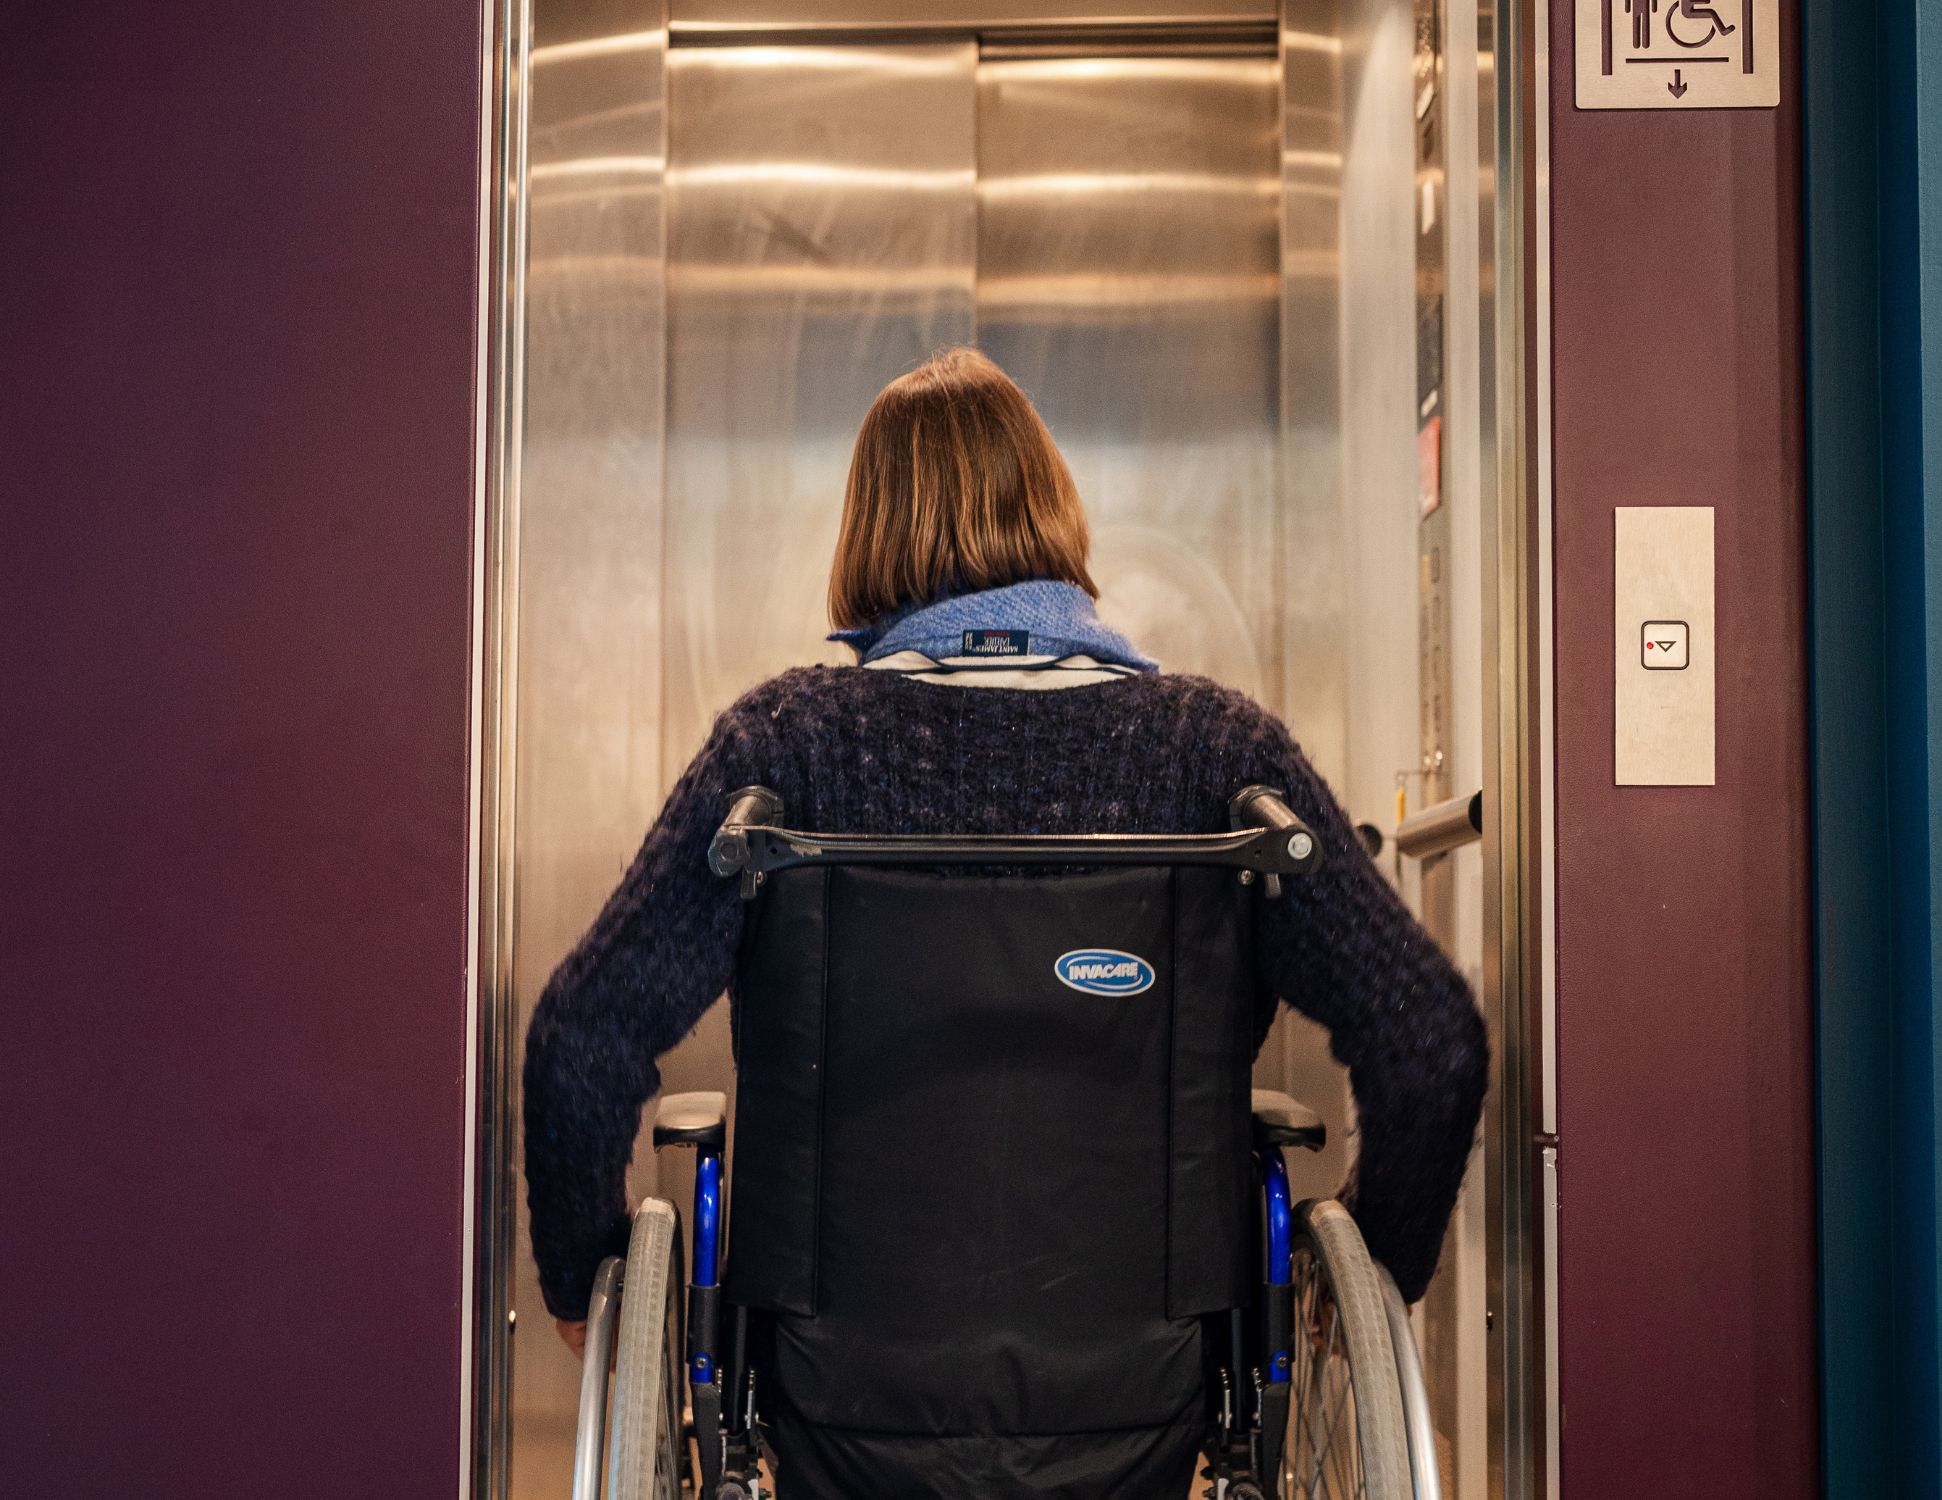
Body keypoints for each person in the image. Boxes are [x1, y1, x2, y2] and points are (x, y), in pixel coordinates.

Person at [521, 343, 1489, 1418]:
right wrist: (1378, 1259)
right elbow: (1428, 1043)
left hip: (837, 1392)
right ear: (1055, 517)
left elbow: (581, 1038)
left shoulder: (786, 748)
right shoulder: (1212, 753)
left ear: (865, 536)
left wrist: (583, 1278)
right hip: (1145, 1393)